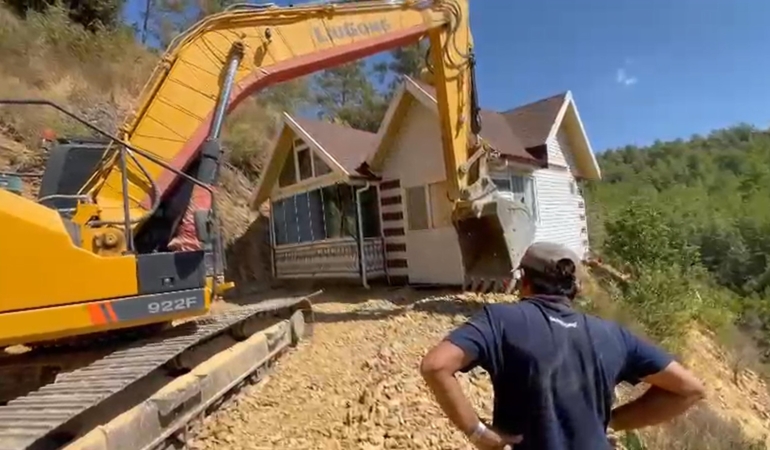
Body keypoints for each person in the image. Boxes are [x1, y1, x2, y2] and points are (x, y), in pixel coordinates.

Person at [420, 241, 706, 450]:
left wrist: (477, 432)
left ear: (524, 282)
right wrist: (610, 422)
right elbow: (689, 390)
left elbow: (436, 366)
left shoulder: (500, 320)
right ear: (576, 289)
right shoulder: (613, 335)